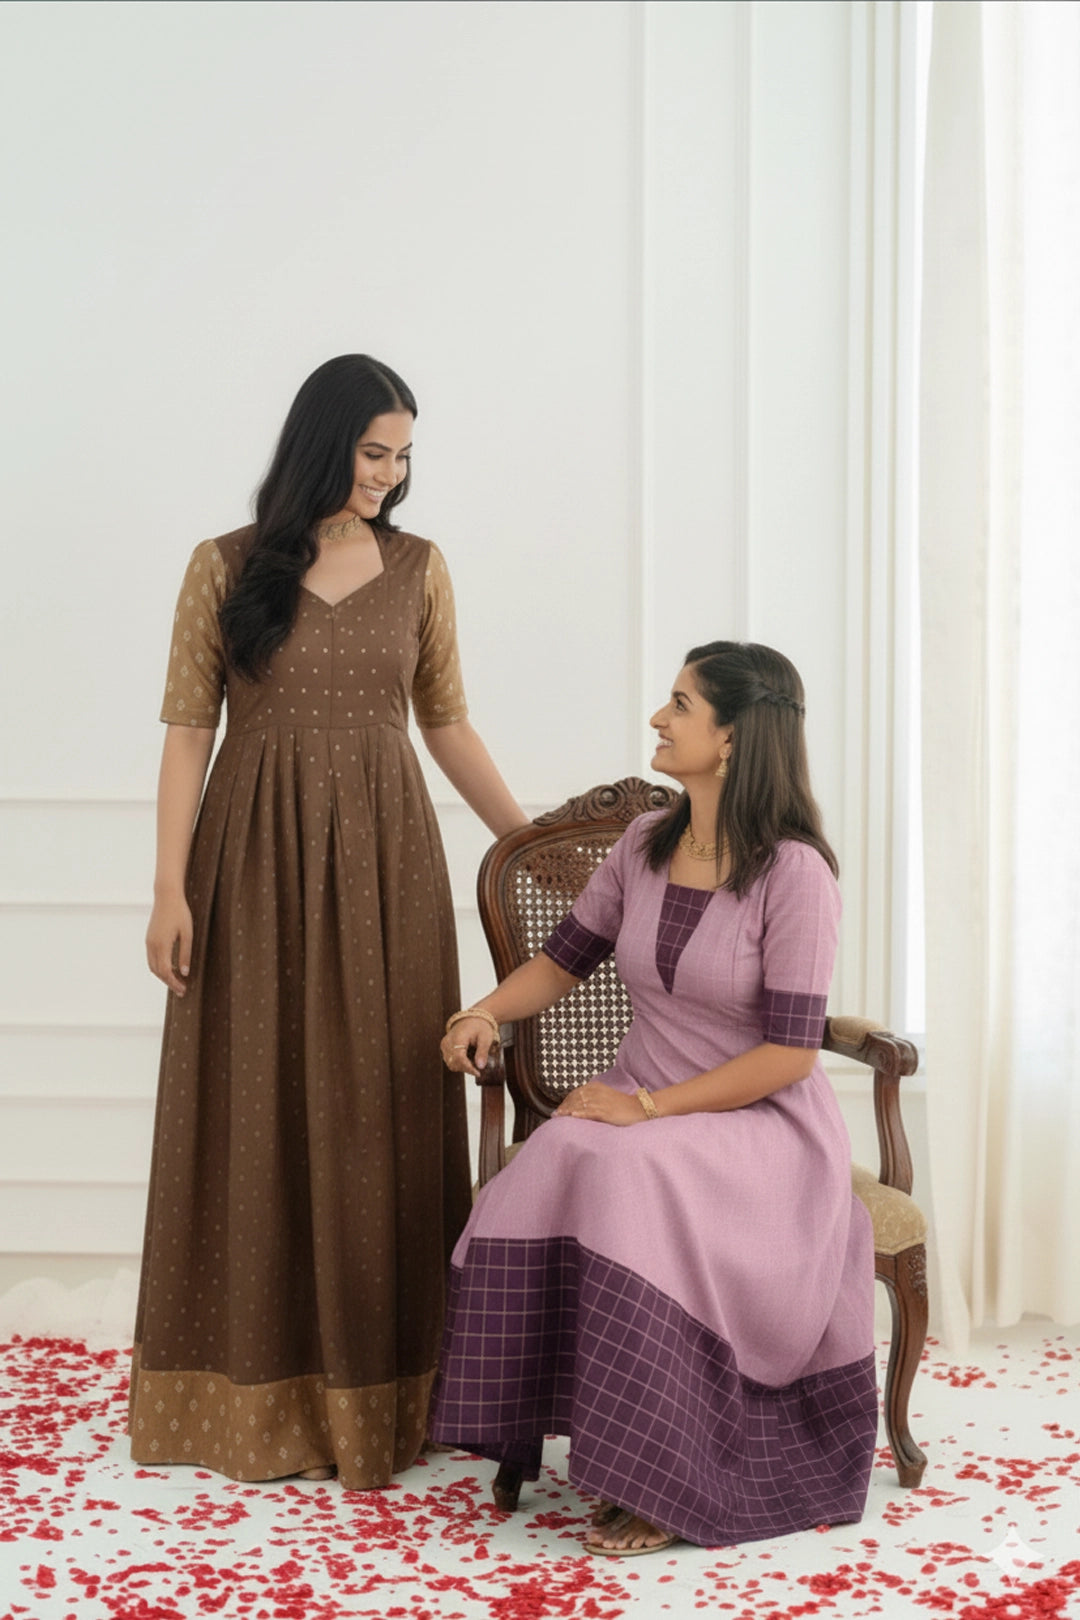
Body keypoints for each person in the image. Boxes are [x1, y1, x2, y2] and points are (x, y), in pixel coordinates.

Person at [130, 354, 527, 1490]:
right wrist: (169, 887)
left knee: (380, 1106)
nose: (391, 477)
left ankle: (392, 1385)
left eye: (404, 458)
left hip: (388, 866)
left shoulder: (419, 569)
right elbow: (183, 733)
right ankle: (249, 1390)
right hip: (246, 862)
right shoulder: (224, 567)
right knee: (247, 1106)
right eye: (373, 452)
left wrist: (528, 841)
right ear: (324, 441)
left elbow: (447, 725)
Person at [431, 642, 877, 1555]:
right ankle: (606, 1446)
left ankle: (666, 1486)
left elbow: (791, 1055)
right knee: (558, 1155)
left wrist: (650, 1111)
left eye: (679, 705)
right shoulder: (643, 844)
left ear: (731, 737)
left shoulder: (795, 874)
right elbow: (560, 963)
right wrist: (481, 1011)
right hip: (642, 1106)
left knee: (622, 1167)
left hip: (759, 1129)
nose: (658, 720)